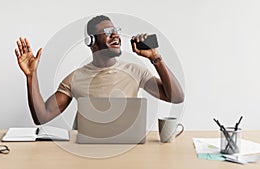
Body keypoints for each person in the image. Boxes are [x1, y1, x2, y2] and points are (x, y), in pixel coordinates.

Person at [14, 15, 184, 125]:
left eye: (116, 31)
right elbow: (42, 116)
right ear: (91, 41)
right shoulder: (75, 78)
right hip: (84, 155)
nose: (115, 35)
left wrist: (155, 57)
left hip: (125, 153)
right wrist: (31, 76)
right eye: (108, 32)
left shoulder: (136, 71)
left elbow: (176, 97)